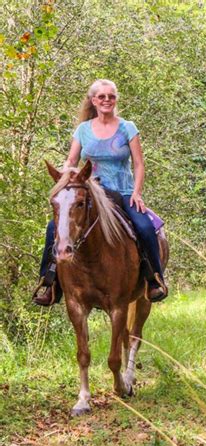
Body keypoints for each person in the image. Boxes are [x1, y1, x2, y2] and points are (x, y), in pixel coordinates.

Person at [33, 79, 167, 305]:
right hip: (91, 193)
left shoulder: (127, 127)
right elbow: (72, 160)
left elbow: (139, 164)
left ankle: (154, 280)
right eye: (102, 96)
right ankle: (49, 283)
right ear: (94, 100)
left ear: (115, 100)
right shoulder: (83, 130)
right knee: (52, 227)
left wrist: (137, 192)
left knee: (145, 226)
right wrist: (66, 178)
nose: (107, 100)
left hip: (121, 191)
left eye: (111, 96)